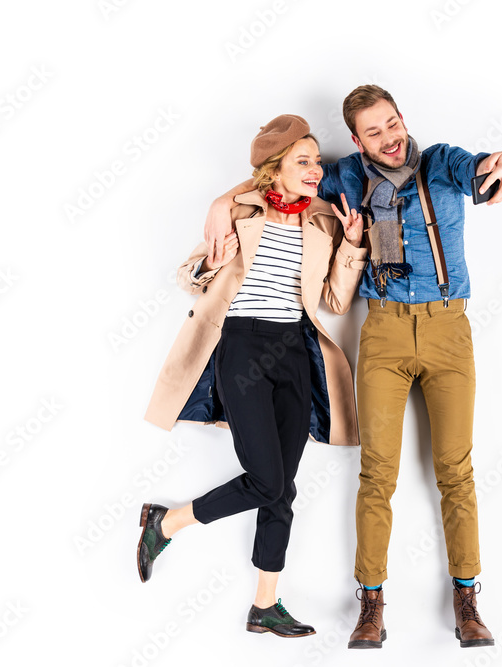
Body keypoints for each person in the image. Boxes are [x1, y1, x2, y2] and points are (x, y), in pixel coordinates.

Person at [204, 86, 502, 649]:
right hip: (381, 332)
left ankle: (467, 599)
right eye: (374, 131)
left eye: (393, 123)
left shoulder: (443, 161)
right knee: (378, 473)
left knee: (456, 469)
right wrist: (219, 202)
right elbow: (281, 177)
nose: (390, 137)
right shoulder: (346, 175)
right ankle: (371, 605)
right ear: (356, 141)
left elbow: (487, 169)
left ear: (403, 118)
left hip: (450, 330)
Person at [139, 114, 369, 638]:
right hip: (241, 346)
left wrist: (352, 246)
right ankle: (166, 523)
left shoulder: (325, 221)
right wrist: (210, 264)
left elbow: (334, 299)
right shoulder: (240, 210)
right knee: (267, 480)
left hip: (292, 351)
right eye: (302, 162)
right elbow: (188, 277)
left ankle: (266, 603)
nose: (315, 170)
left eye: (316, 161)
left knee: (281, 488)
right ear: (275, 170)